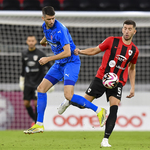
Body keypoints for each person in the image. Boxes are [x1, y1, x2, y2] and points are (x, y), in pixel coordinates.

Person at [23, 6, 107, 134]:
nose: (51, 21)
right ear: (43, 18)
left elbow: (67, 52)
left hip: (71, 62)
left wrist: (47, 59)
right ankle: (39, 124)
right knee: (41, 89)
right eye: (49, 19)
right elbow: (47, 34)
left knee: (68, 95)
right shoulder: (44, 26)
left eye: (53, 18)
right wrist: (43, 41)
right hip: (59, 64)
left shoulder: (60, 30)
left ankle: (99, 111)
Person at [58, 20, 139, 147]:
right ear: (122, 29)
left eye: (130, 29)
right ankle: (69, 101)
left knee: (114, 108)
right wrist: (81, 51)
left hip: (117, 82)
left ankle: (105, 140)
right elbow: (95, 50)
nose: (127, 31)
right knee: (83, 104)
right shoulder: (112, 40)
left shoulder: (134, 50)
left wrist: (133, 87)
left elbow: (132, 68)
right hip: (101, 78)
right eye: (125, 28)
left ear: (134, 31)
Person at [19, 35, 53, 124]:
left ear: (35, 42)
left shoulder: (41, 54)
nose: (31, 42)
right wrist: (21, 80)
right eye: (29, 41)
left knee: (36, 103)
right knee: (26, 103)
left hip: (38, 82)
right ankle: (35, 120)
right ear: (27, 42)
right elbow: (23, 68)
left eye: (32, 41)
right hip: (27, 82)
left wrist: (51, 81)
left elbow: (49, 67)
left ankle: (37, 122)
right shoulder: (24, 53)